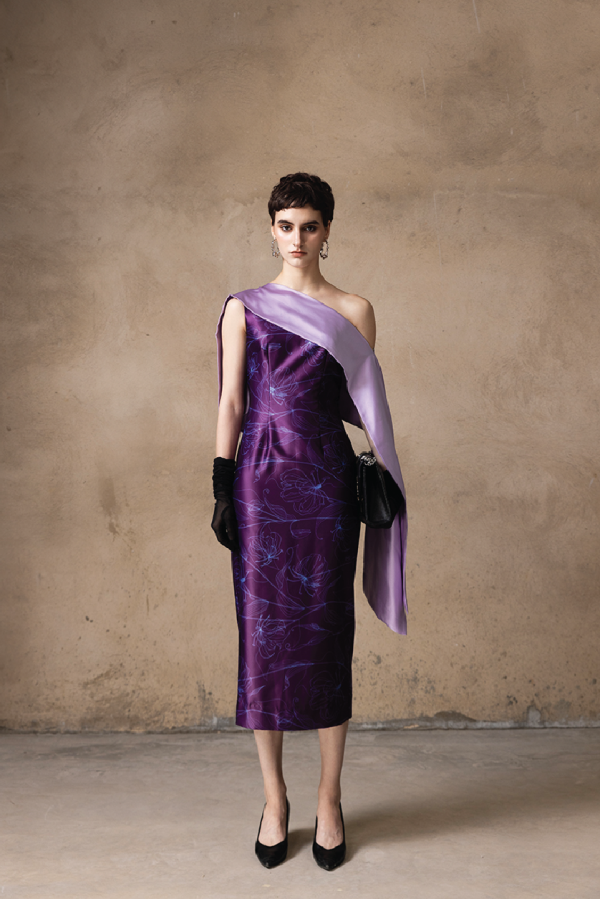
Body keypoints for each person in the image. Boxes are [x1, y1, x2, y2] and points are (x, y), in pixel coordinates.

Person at [212, 173, 407, 871]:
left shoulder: (355, 310)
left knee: (327, 636)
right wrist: (221, 481)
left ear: (327, 230)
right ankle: (274, 800)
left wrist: (380, 469)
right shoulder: (243, 308)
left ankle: (329, 799)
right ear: (271, 230)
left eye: (310, 225)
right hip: (260, 482)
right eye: (286, 225)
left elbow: (365, 406)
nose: (297, 238)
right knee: (261, 639)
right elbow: (232, 400)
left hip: (326, 483)